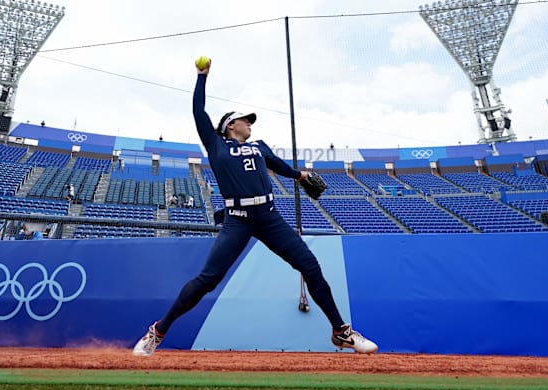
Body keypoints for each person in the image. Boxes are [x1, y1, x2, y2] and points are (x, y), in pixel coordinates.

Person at [133, 59, 378, 356]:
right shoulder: (216, 144)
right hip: (238, 219)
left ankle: (342, 333)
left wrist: (299, 175)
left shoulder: (259, 145)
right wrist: (201, 77)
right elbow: (198, 111)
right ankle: (156, 333)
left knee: (310, 266)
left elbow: (276, 164)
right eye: (244, 119)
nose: (250, 123)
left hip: (269, 216)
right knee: (208, 280)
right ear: (229, 126)